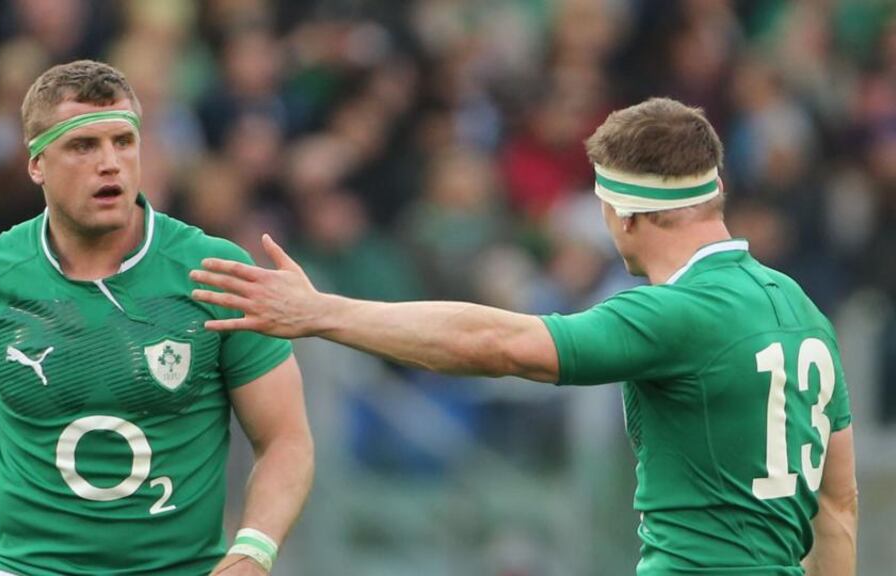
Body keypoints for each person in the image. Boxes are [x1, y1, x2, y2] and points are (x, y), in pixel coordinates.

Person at [191, 98, 858, 575]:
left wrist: (322, 313)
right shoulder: (804, 312)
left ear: (623, 214)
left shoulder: (678, 314)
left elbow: (500, 344)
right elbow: (838, 505)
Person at [0, 60, 314, 576]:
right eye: (83, 146)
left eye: (123, 142)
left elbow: (285, 437)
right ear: (36, 163)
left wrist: (254, 551)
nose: (110, 163)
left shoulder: (215, 272)